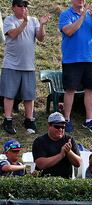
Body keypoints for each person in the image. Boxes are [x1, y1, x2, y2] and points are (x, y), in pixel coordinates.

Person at [2, 0, 49, 135]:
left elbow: (40, 38)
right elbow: (13, 34)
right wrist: (24, 22)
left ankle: (29, 120)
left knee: (29, 96)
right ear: (13, 8)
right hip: (11, 64)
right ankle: (8, 120)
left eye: (25, 6)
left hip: (29, 65)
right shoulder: (9, 20)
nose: (23, 8)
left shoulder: (33, 20)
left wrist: (42, 25)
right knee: (9, 95)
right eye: (20, 6)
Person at [58, 0, 92, 133]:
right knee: (70, 89)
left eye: (83, 0)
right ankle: (66, 119)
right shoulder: (66, 15)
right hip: (72, 59)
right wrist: (83, 16)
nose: (81, 1)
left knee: (90, 89)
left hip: (90, 59)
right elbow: (69, 31)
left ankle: (89, 120)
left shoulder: (91, 15)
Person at [32, 111, 80, 178]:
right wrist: (61, 155)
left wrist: (69, 151)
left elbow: (78, 163)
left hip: (65, 182)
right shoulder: (39, 141)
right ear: (49, 126)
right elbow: (41, 164)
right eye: (57, 126)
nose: (60, 129)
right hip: (44, 181)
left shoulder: (69, 140)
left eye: (63, 127)